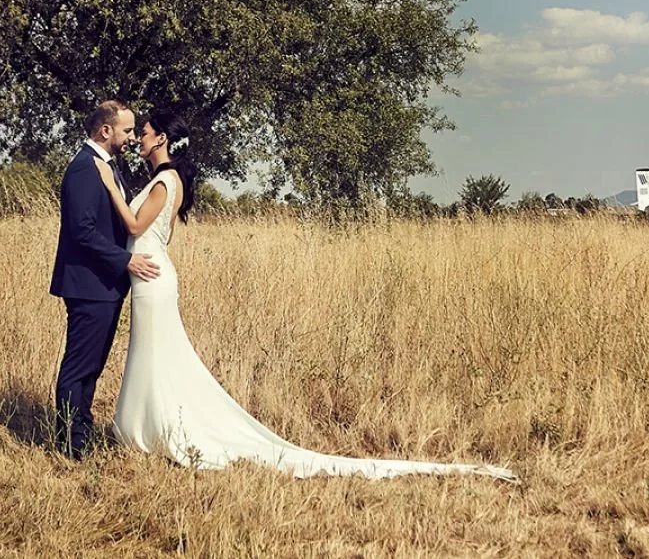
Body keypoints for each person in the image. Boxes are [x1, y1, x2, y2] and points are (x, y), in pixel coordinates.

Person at [94, 107, 518, 482]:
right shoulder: (164, 178)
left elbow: (134, 226)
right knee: (153, 353)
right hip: (148, 274)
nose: (139, 139)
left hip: (151, 277)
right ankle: (148, 425)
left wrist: (110, 186)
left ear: (161, 139)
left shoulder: (166, 180)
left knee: (157, 352)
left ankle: (164, 428)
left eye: (144, 133)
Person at [50, 100, 162, 459]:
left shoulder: (107, 166)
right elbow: (81, 231)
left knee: (93, 366)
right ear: (105, 130)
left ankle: (80, 436)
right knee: (79, 365)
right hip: (88, 285)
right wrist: (126, 260)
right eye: (127, 130)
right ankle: (69, 443)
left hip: (105, 286)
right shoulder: (85, 168)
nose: (131, 136)